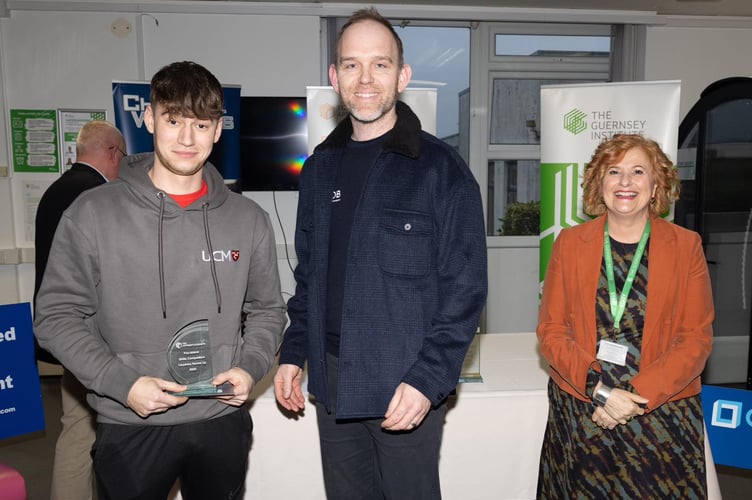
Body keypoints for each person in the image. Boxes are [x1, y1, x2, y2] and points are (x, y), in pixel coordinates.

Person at [34, 61, 287, 500]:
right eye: (173, 120)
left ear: (217, 129)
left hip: (220, 421)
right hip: (132, 424)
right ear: (149, 119)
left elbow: (267, 309)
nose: (187, 139)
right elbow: (55, 317)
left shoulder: (249, 219)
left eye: (201, 124)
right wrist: (121, 382)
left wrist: (250, 368)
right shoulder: (93, 213)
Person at [273, 8, 487, 500]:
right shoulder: (319, 169)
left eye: (380, 64)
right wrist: (294, 351)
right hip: (331, 386)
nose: (365, 79)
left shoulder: (442, 171)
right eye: (351, 65)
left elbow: (466, 291)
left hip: (404, 389)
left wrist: (427, 380)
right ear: (335, 77)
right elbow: (310, 277)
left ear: (403, 75)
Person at [536, 133, 714, 497]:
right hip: (584, 409)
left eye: (638, 171)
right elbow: (552, 331)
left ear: (656, 185)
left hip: (659, 413)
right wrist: (600, 391)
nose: (625, 182)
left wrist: (629, 397)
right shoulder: (569, 244)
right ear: (600, 183)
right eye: (614, 171)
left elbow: (695, 340)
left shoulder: (686, 246)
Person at [33, 119, 125, 500]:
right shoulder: (95, 199)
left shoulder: (55, 191)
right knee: (84, 430)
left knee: (76, 426)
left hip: (62, 333)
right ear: (111, 153)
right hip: (89, 338)